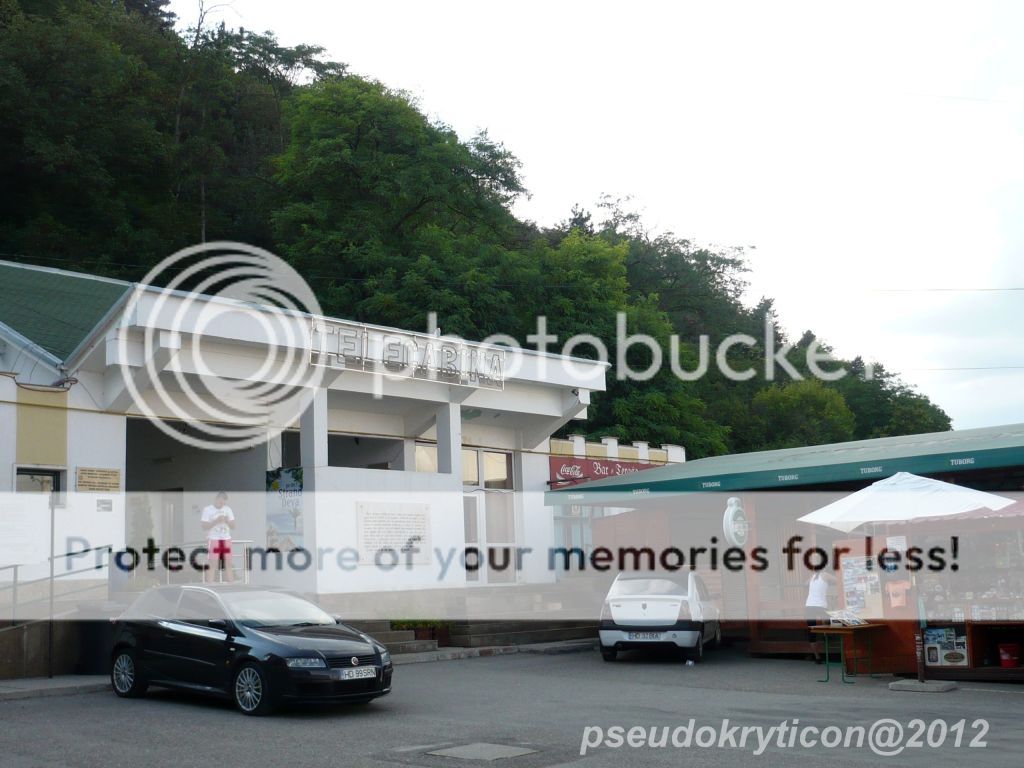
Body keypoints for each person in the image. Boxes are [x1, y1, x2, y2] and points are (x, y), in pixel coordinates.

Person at [201, 491, 235, 583]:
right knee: (213, 563)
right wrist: (215, 521)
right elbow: (204, 526)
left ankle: (232, 585)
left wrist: (227, 521)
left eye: (224, 503)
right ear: (216, 499)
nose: (222, 504)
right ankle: (210, 586)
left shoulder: (228, 509)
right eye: (220, 502)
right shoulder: (207, 509)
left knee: (228, 562)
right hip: (213, 539)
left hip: (226, 539)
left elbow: (233, 526)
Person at [805, 570, 836, 662]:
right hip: (820, 606)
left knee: (812, 631)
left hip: (809, 606)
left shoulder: (813, 576)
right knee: (832, 621)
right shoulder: (825, 574)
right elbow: (838, 580)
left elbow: (805, 583)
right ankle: (826, 635)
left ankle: (817, 657)